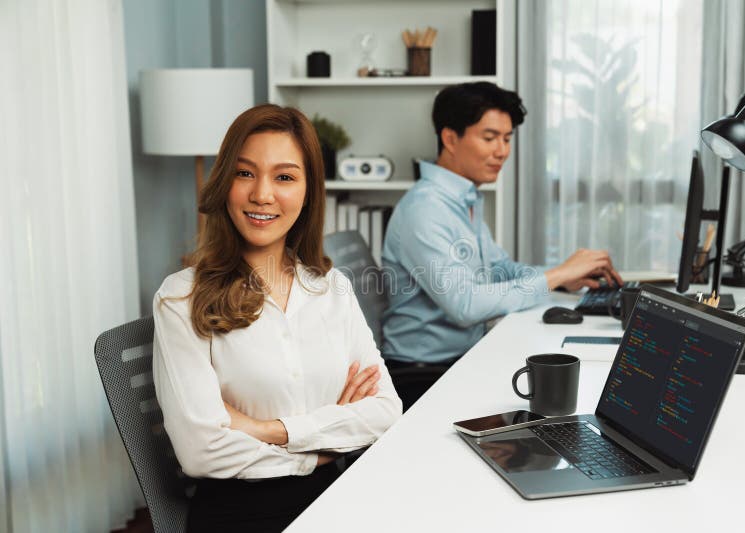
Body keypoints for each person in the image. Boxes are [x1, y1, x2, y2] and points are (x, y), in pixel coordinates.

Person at [152, 104, 402, 532]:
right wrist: (322, 449)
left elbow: (384, 411)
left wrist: (268, 429)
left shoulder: (331, 287)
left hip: (339, 498)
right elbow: (199, 450)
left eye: (284, 177)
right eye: (245, 173)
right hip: (241, 515)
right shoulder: (181, 297)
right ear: (225, 181)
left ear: (308, 192)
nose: (262, 194)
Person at [381, 82, 622, 377]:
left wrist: (564, 278)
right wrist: (555, 276)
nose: (502, 151)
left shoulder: (462, 198)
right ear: (450, 139)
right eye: (490, 137)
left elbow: (500, 268)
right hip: (422, 373)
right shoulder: (425, 209)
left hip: (463, 357)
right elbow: (465, 305)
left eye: (507, 139)